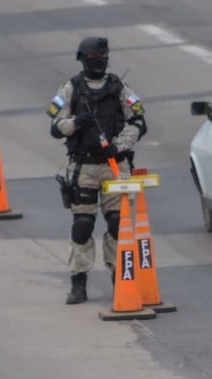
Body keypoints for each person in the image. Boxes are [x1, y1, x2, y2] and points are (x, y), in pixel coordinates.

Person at [48, 36, 148, 305]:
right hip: (83, 166)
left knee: (119, 225)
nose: (99, 63)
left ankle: (121, 280)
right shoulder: (71, 88)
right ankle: (78, 283)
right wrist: (76, 123)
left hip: (116, 167)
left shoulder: (119, 87)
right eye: (94, 59)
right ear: (83, 59)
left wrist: (119, 146)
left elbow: (138, 122)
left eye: (103, 58)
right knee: (82, 225)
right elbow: (55, 127)